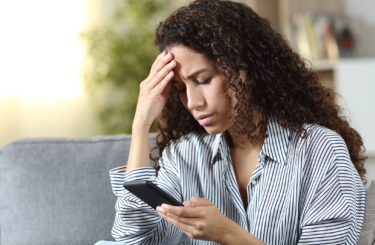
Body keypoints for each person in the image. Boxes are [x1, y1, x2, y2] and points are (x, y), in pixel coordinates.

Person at [96, 0, 367, 244]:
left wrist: (227, 233)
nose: (192, 102)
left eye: (202, 80)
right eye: (179, 88)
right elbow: (131, 241)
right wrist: (141, 124)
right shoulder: (184, 156)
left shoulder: (320, 151)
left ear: (243, 71)